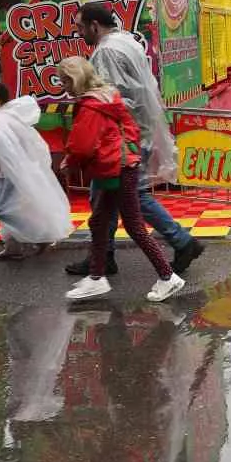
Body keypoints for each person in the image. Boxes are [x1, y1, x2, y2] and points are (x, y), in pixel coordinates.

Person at [65, 2, 204, 278]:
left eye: (81, 27)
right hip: (135, 132)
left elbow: (114, 98)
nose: (79, 33)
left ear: (95, 25)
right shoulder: (127, 41)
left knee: (121, 197)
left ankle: (178, 242)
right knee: (112, 198)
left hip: (122, 138)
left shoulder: (106, 53)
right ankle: (104, 257)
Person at [57, 56, 185, 302]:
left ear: (75, 79)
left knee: (132, 225)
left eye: (65, 80)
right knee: (100, 223)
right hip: (119, 165)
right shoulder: (106, 97)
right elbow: (128, 128)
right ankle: (96, 277)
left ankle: (168, 277)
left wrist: (70, 163)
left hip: (115, 167)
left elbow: (82, 145)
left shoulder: (90, 105)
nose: (64, 85)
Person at [0, 81, 73, 260]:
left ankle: (41, 236)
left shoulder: (1, 118)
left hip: (10, 174)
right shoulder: (8, 115)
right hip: (8, 172)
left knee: (4, 210)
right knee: (15, 209)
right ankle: (13, 247)